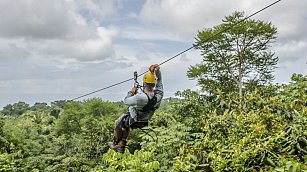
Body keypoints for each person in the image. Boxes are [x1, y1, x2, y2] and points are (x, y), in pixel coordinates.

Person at [108, 64, 163, 153]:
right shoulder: (159, 95)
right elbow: (160, 81)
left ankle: (115, 144)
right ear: (154, 84)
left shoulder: (140, 98)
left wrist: (131, 92)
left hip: (136, 118)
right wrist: (156, 72)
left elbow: (126, 101)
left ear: (144, 83)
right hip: (146, 119)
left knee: (118, 122)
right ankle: (122, 145)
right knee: (126, 124)